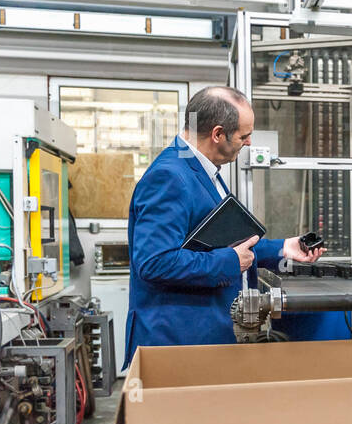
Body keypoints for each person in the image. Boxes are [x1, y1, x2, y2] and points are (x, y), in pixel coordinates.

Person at [124, 86, 324, 365]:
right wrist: (230, 261)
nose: (250, 143)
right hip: (176, 342)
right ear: (217, 134)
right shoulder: (169, 177)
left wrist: (283, 248)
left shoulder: (203, 171)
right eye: (244, 136)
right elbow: (155, 262)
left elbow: (219, 242)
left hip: (200, 337)